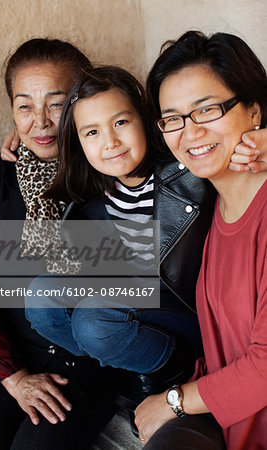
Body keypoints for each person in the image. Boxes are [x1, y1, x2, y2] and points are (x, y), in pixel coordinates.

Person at [21, 65, 225, 443]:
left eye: (121, 122)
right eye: (92, 132)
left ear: (146, 120)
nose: (110, 142)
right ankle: (129, 366)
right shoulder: (94, 194)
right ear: (79, 142)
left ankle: (169, 376)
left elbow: (231, 134)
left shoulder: (188, 172)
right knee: (40, 297)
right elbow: (38, 151)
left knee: (94, 322)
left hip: (188, 314)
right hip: (132, 304)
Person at [0, 38, 117, 450]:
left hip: (82, 366)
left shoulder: (111, 170)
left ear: (83, 99)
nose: (41, 122)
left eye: (57, 103)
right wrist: (14, 377)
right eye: (25, 106)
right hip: (9, 358)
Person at [134, 31, 267, 450]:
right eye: (172, 118)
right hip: (227, 417)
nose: (189, 133)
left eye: (206, 109)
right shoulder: (203, 201)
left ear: (254, 112)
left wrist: (173, 401)